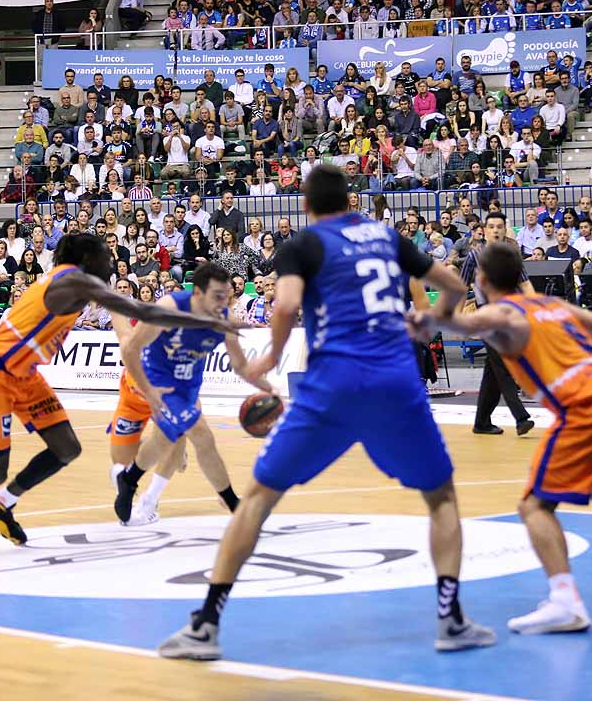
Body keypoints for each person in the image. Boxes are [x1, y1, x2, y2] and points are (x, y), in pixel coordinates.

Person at [158, 166, 497, 660]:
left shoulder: (306, 243)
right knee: (441, 497)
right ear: (350, 200)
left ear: (306, 204)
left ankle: (207, 623)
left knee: (257, 499)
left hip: (332, 388)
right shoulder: (384, 235)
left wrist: (270, 357)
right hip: (395, 384)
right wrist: (430, 319)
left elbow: (285, 305)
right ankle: (451, 618)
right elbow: (453, 285)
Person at [0, 234, 242, 558]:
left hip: (24, 374)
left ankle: (2, 504)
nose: (109, 261)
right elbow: (144, 311)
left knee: (66, 447)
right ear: (87, 261)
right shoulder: (74, 282)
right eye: (104, 256)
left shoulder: (74, 283)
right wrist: (203, 321)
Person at [426, 241, 592, 634]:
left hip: (586, 407)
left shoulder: (504, 313)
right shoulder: (553, 305)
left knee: (534, 507)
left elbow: (453, 324)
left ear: (481, 279)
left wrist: (441, 298)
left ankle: (565, 601)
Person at [110, 262, 270, 526]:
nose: (223, 301)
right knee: (202, 435)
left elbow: (241, 366)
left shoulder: (224, 320)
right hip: (157, 375)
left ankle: (129, 480)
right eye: (217, 296)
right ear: (197, 293)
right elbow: (130, 349)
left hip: (188, 380)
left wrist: (268, 387)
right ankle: (233, 504)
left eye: (226, 296)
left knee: (165, 438)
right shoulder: (168, 310)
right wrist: (149, 390)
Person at [471, 213, 534, 436]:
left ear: (505, 230)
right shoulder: (475, 256)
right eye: (491, 227)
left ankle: (481, 422)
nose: (495, 230)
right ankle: (521, 417)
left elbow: (526, 286)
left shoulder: (512, 257)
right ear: (484, 231)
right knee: (504, 365)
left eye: (499, 227)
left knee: (493, 369)